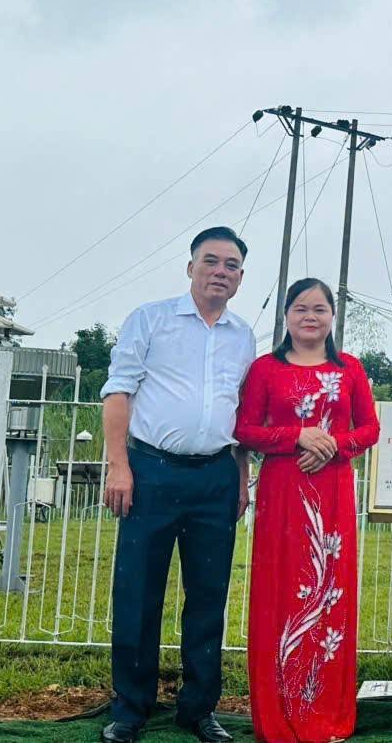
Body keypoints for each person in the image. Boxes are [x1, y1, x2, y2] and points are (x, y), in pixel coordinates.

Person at [100, 226, 257, 743]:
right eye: (210, 261)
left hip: (215, 475)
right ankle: (130, 707)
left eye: (231, 265)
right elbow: (119, 391)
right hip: (151, 472)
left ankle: (198, 708)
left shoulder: (242, 336)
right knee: (139, 591)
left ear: (239, 277)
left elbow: (239, 412)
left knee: (209, 594)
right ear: (190, 267)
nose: (220, 271)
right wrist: (119, 466)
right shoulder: (150, 319)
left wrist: (239, 475)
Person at [236, 278, 381, 743]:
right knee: (279, 589)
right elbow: (245, 429)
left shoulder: (351, 369)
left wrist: (332, 446)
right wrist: (295, 436)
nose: (310, 317)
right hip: (283, 491)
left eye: (319, 309)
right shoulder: (264, 370)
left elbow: (371, 429)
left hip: (333, 491)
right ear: (286, 316)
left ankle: (325, 713)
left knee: (328, 591)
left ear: (332, 317)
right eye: (300, 308)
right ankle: (278, 713)